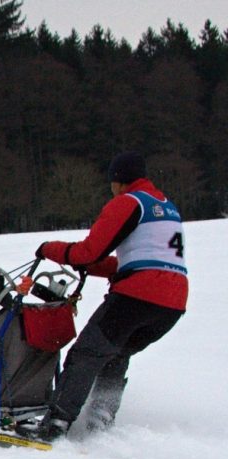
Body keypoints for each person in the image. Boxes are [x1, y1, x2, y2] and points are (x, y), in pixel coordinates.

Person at [19, 151, 188, 442]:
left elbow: (89, 251)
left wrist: (48, 249)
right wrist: (84, 264)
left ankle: (55, 425)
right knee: (115, 354)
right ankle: (100, 422)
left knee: (86, 354)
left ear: (118, 181)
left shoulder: (127, 202)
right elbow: (135, 263)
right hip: (172, 305)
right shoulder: (166, 207)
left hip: (136, 297)